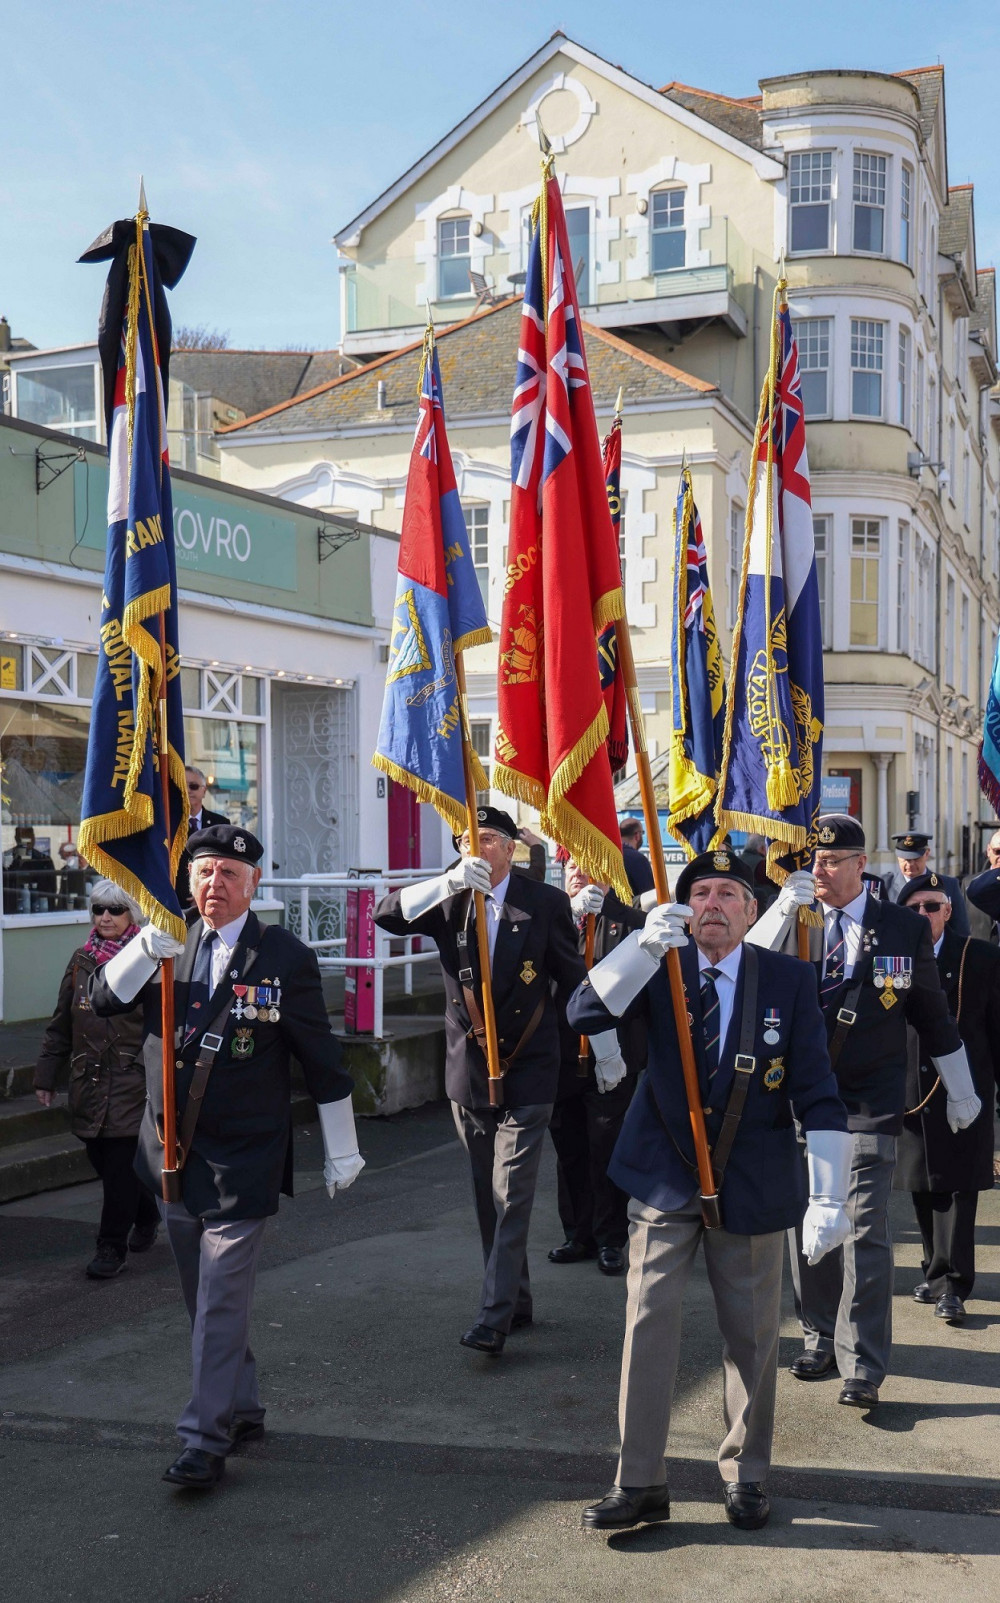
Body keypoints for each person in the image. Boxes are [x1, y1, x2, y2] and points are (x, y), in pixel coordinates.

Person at [569, 848, 851, 1533]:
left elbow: (816, 1088)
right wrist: (640, 946)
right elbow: (583, 1011)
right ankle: (639, 1479)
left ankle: (746, 1473)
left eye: (729, 893)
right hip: (663, 1176)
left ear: (753, 912)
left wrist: (830, 1193)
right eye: (700, 893)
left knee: (752, 1335)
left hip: (753, 1178)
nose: (713, 904)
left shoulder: (785, 976)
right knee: (647, 1323)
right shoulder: (657, 966)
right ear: (682, 908)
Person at [91, 824, 364, 1490]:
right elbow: (103, 1000)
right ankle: (241, 1406)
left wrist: (343, 1145)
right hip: (172, 1155)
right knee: (204, 1299)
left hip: (245, 1156)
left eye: (230, 875)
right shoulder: (163, 941)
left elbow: (323, 1061)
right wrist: (135, 955)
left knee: (217, 1299)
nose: (216, 885)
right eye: (205, 872)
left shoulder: (284, 957)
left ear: (254, 884)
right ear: (189, 880)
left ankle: (203, 1438)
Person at [747, 815, 978, 1409]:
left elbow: (929, 1012)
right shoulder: (790, 919)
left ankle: (863, 1365)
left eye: (830, 861)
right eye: (813, 861)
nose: (818, 871)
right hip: (800, 1100)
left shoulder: (901, 927)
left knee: (865, 1228)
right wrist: (776, 913)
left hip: (870, 1101)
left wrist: (961, 1087)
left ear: (858, 864)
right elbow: (739, 977)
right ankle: (819, 1333)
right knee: (812, 1224)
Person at [375, 806, 596, 1355]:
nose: (477, 848)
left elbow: (573, 980)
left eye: (490, 838)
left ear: (512, 847)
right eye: (466, 839)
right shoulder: (449, 896)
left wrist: (604, 1044)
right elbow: (385, 916)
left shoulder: (542, 901)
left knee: (511, 1192)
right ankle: (515, 1300)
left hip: (529, 1066)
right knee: (486, 1197)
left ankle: (493, 1317)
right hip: (469, 1069)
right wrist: (446, 882)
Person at [33, 879, 160, 1279]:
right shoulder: (81, 960)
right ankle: (147, 1213)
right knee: (102, 1160)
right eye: (98, 910)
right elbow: (61, 1024)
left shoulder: (150, 959)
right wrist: (46, 1075)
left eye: (114, 910)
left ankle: (111, 1247)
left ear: (131, 914)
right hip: (87, 1080)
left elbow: (163, 1028)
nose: (105, 917)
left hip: (131, 1081)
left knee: (120, 1166)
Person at [894, 872, 1000, 1324]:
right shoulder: (890, 959)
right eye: (914, 908)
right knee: (922, 1187)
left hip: (965, 1091)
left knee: (958, 1189)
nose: (923, 916)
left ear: (948, 911)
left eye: (931, 907)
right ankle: (933, 1268)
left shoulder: (982, 957)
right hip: (911, 1094)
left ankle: (953, 1284)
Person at [547, 858, 646, 1276]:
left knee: (607, 1144)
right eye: (569, 865)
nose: (577, 873)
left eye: (587, 864)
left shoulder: (632, 922)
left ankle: (611, 1238)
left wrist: (603, 913)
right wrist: (570, 921)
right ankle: (577, 1233)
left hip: (615, 1055)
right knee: (568, 1147)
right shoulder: (553, 916)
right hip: (561, 1053)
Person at [887, 833, 970, 937]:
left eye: (916, 859)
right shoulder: (885, 885)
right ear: (898, 856)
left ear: (927, 854)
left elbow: (961, 931)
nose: (910, 864)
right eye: (906, 859)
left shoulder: (949, 885)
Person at [175, 767, 229, 908]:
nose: (188, 790)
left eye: (193, 786)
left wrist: (202, 893)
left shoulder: (221, 824)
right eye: (183, 785)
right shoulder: (168, 824)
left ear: (204, 791)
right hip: (174, 901)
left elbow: (223, 864)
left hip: (210, 899)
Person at [3, 826, 58, 914]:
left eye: (30, 835)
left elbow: (51, 889)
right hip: (12, 910)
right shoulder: (7, 858)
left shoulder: (44, 860)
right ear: (16, 838)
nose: (27, 839)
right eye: (23, 835)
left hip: (41, 909)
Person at [618, 816, 655, 897]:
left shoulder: (609, 856)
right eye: (642, 832)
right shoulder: (638, 860)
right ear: (637, 835)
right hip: (630, 908)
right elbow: (649, 895)